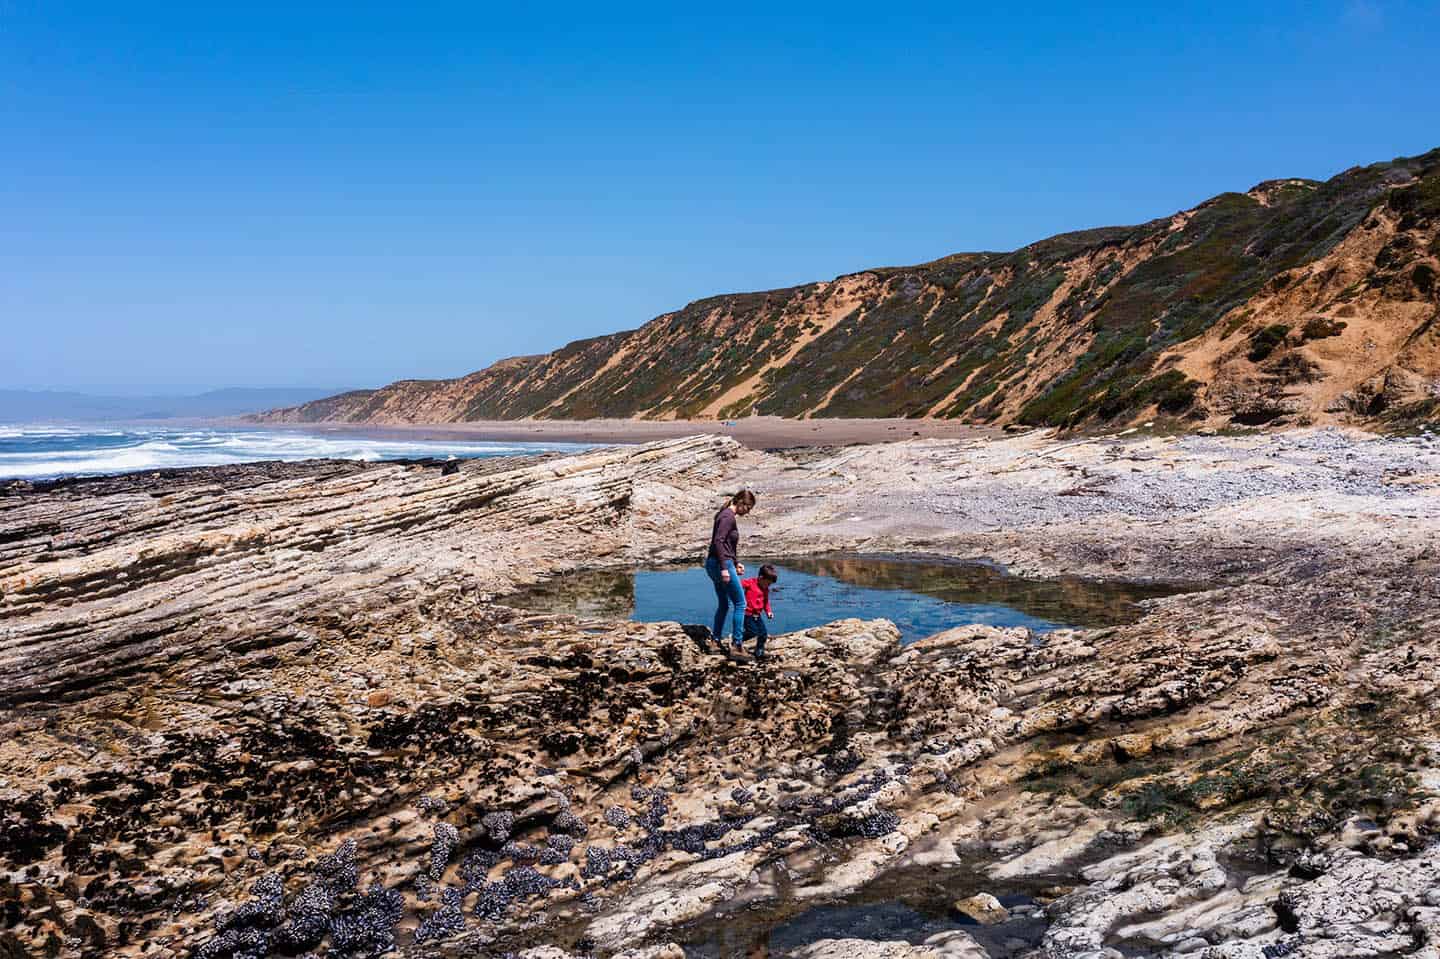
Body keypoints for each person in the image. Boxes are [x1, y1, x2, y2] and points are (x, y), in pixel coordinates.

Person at [704, 489, 756, 653]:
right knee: (741, 603)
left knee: (724, 604)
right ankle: (737, 645)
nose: (747, 512)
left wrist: (736, 562)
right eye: (748, 508)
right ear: (740, 502)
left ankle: (715, 640)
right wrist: (726, 568)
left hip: (715, 564)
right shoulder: (728, 517)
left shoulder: (724, 514)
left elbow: (726, 545)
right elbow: (718, 541)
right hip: (721, 565)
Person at [740, 564, 778, 661]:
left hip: (757, 615)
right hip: (747, 614)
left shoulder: (765, 589)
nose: (768, 586)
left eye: (770, 584)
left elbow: (766, 602)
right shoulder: (750, 583)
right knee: (752, 632)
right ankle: (737, 639)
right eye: (768, 583)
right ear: (761, 578)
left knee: (763, 634)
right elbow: (738, 584)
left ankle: (759, 651)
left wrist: (768, 612)